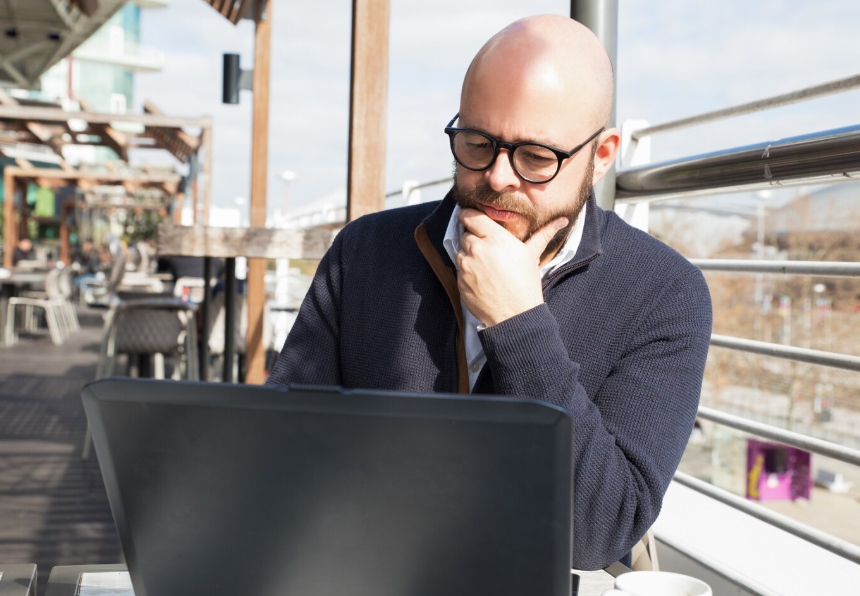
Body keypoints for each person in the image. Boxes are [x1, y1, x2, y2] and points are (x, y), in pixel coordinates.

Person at [266, 14, 712, 570]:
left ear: (601, 157)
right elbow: (280, 452)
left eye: (535, 157)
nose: (498, 176)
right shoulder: (366, 252)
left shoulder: (665, 293)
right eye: (477, 142)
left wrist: (519, 322)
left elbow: (601, 529)